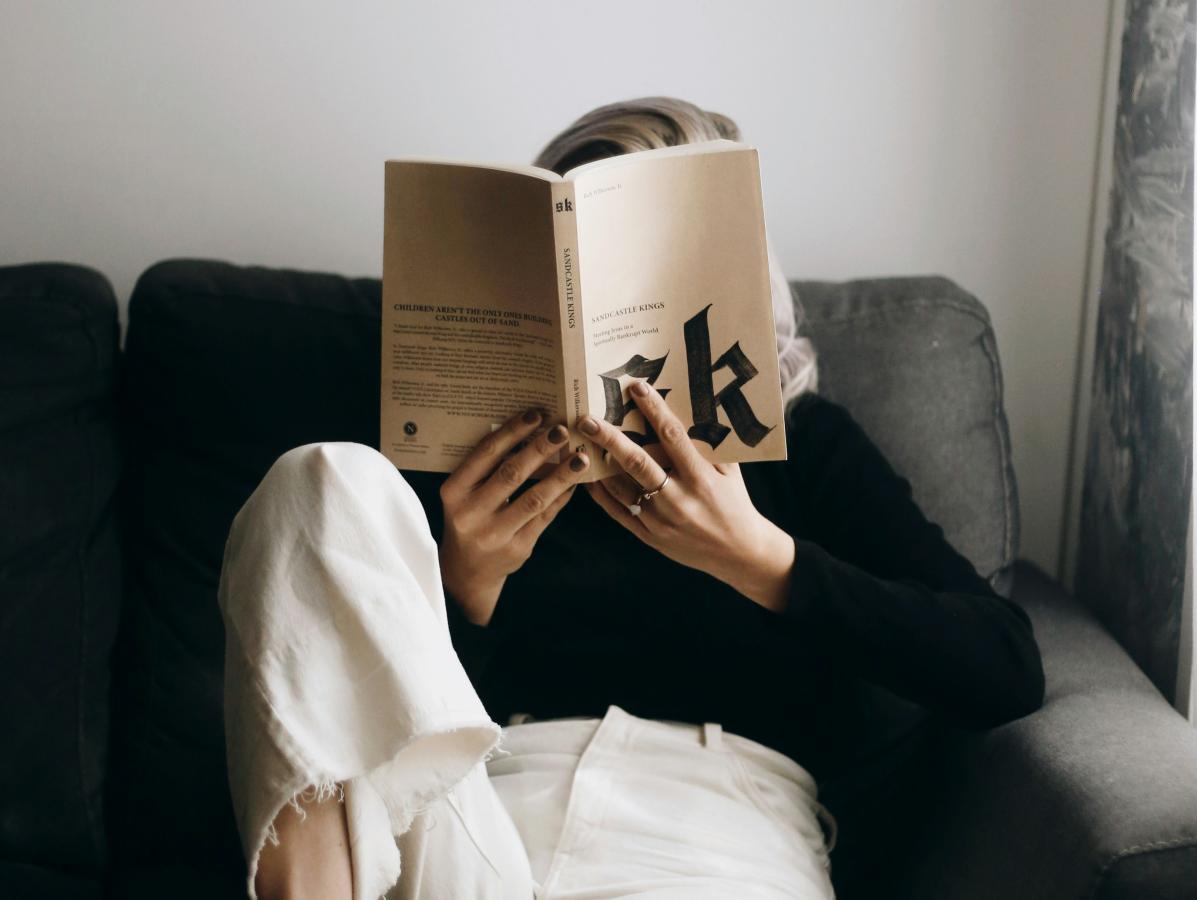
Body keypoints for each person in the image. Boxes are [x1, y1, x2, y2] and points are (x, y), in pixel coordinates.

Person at [218, 98, 1045, 900]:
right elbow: (391, 721)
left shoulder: (806, 446)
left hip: (714, 836)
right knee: (318, 478)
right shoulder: (478, 453)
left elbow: (1002, 669)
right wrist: (465, 587)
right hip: (484, 820)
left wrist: (759, 557)